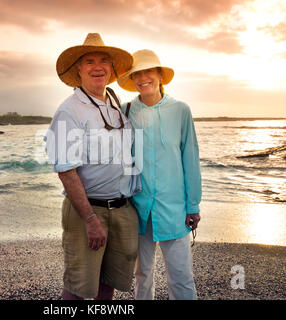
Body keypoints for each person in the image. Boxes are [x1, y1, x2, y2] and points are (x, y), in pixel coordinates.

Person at [45, 33, 141, 300]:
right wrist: (90, 219)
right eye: (89, 61)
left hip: (121, 208)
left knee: (107, 284)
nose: (97, 67)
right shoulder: (70, 110)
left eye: (103, 61)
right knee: (78, 286)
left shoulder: (113, 105)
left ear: (111, 69)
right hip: (88, 211)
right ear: (79, 68)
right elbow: (66, 171)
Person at [117, 49, 202, 300]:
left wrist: (193, 205)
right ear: (132, 80)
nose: (143, 78)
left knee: (182, 277)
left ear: (160, 75)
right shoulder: (125, 110)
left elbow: (190, 158)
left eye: (149, 71)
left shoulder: (181, 110)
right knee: (142, 276)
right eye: (137, 74)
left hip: (174, 209)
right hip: (138, 209)